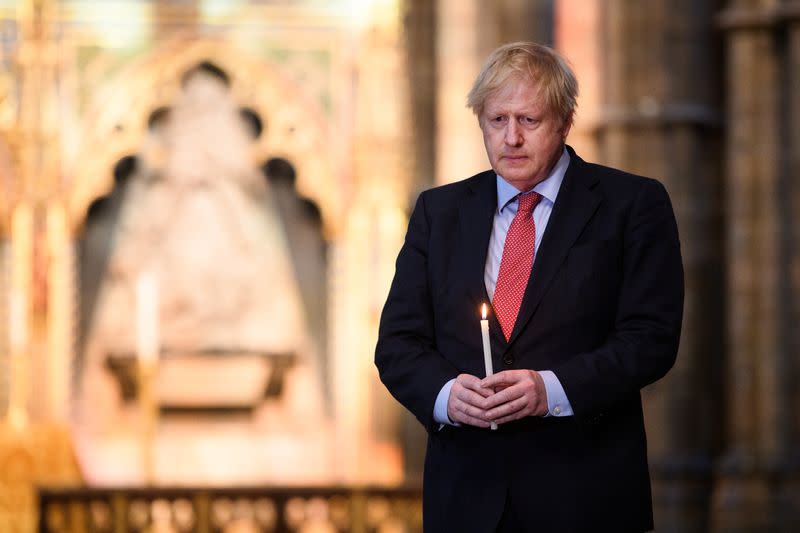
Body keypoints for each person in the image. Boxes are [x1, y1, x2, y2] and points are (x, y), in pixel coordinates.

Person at [374, 41, 683, 532]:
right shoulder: (439, 212)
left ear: (564, 122)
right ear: (481, 124)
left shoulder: (632, 205)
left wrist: (550, 390)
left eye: (529, 121)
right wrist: (444, 395)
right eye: (497, 120)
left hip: (586, 497)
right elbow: (397, 345)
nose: (511, 138)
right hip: (466, 500)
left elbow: (651, 340)